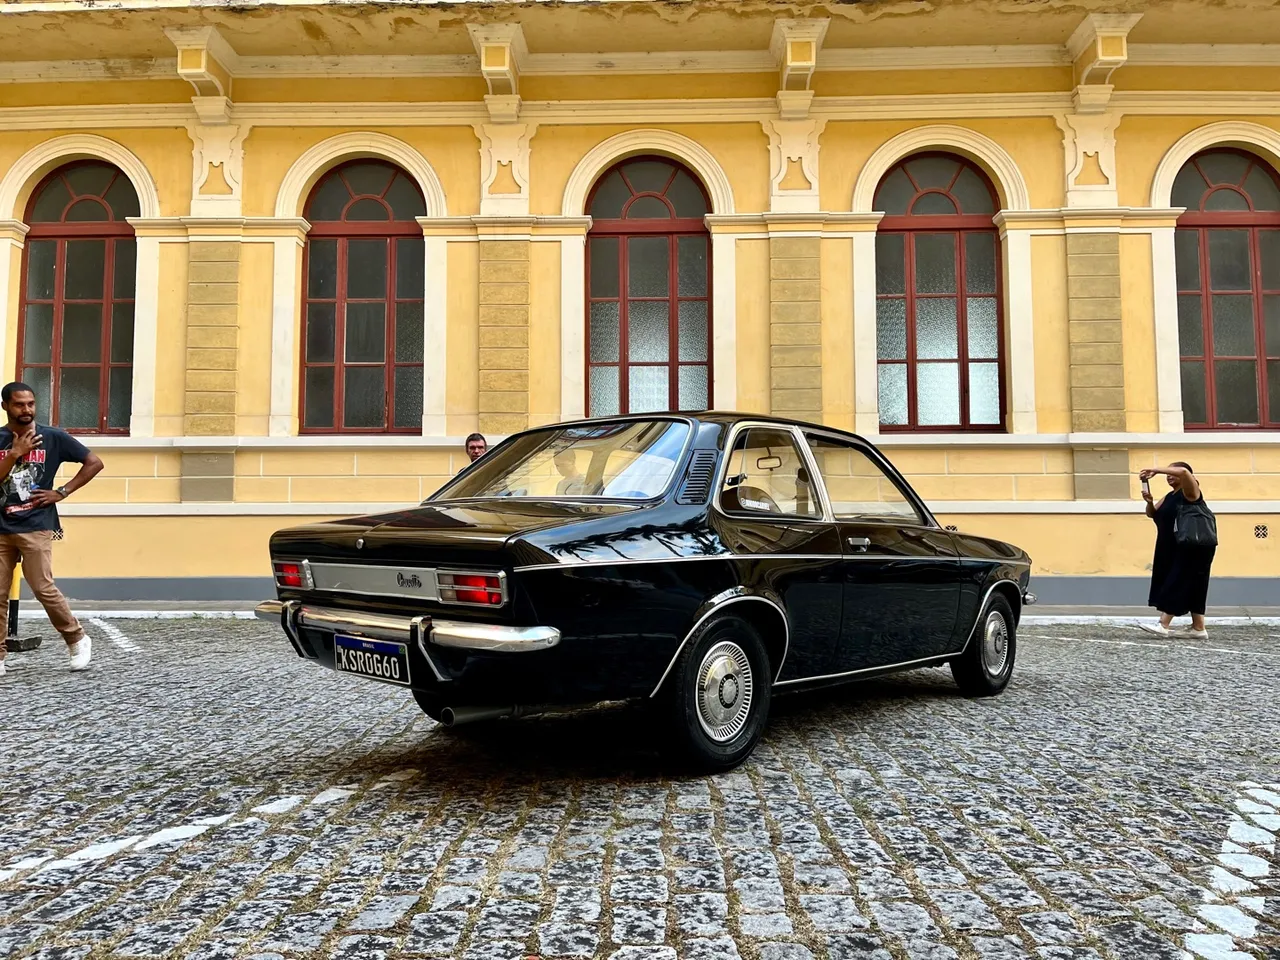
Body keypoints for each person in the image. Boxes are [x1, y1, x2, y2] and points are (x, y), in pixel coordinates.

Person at [0, 382, 104, 677]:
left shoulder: (52, 437)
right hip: (1, 526)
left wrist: (62, 491)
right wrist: (13, 453)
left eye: (31, 403)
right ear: (6, 406)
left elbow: (94, 462)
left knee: (43, 587)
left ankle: (77, 639)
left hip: (35, 525)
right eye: (19, 404)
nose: (27, 409)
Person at [1140, 461, 1215, 639]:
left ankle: (1163, 624)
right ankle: (1199, 628)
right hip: (1173, 546)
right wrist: (1149, 502)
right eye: (1167, 473)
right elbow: (1152, 514)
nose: (1169, 475)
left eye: (1171, 472)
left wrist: (1155, 470)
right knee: (1195, 584)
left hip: (1193, 545)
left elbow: (1182, 470)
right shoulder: (1170, 495)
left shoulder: (1191, 491)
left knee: (1178, 580)